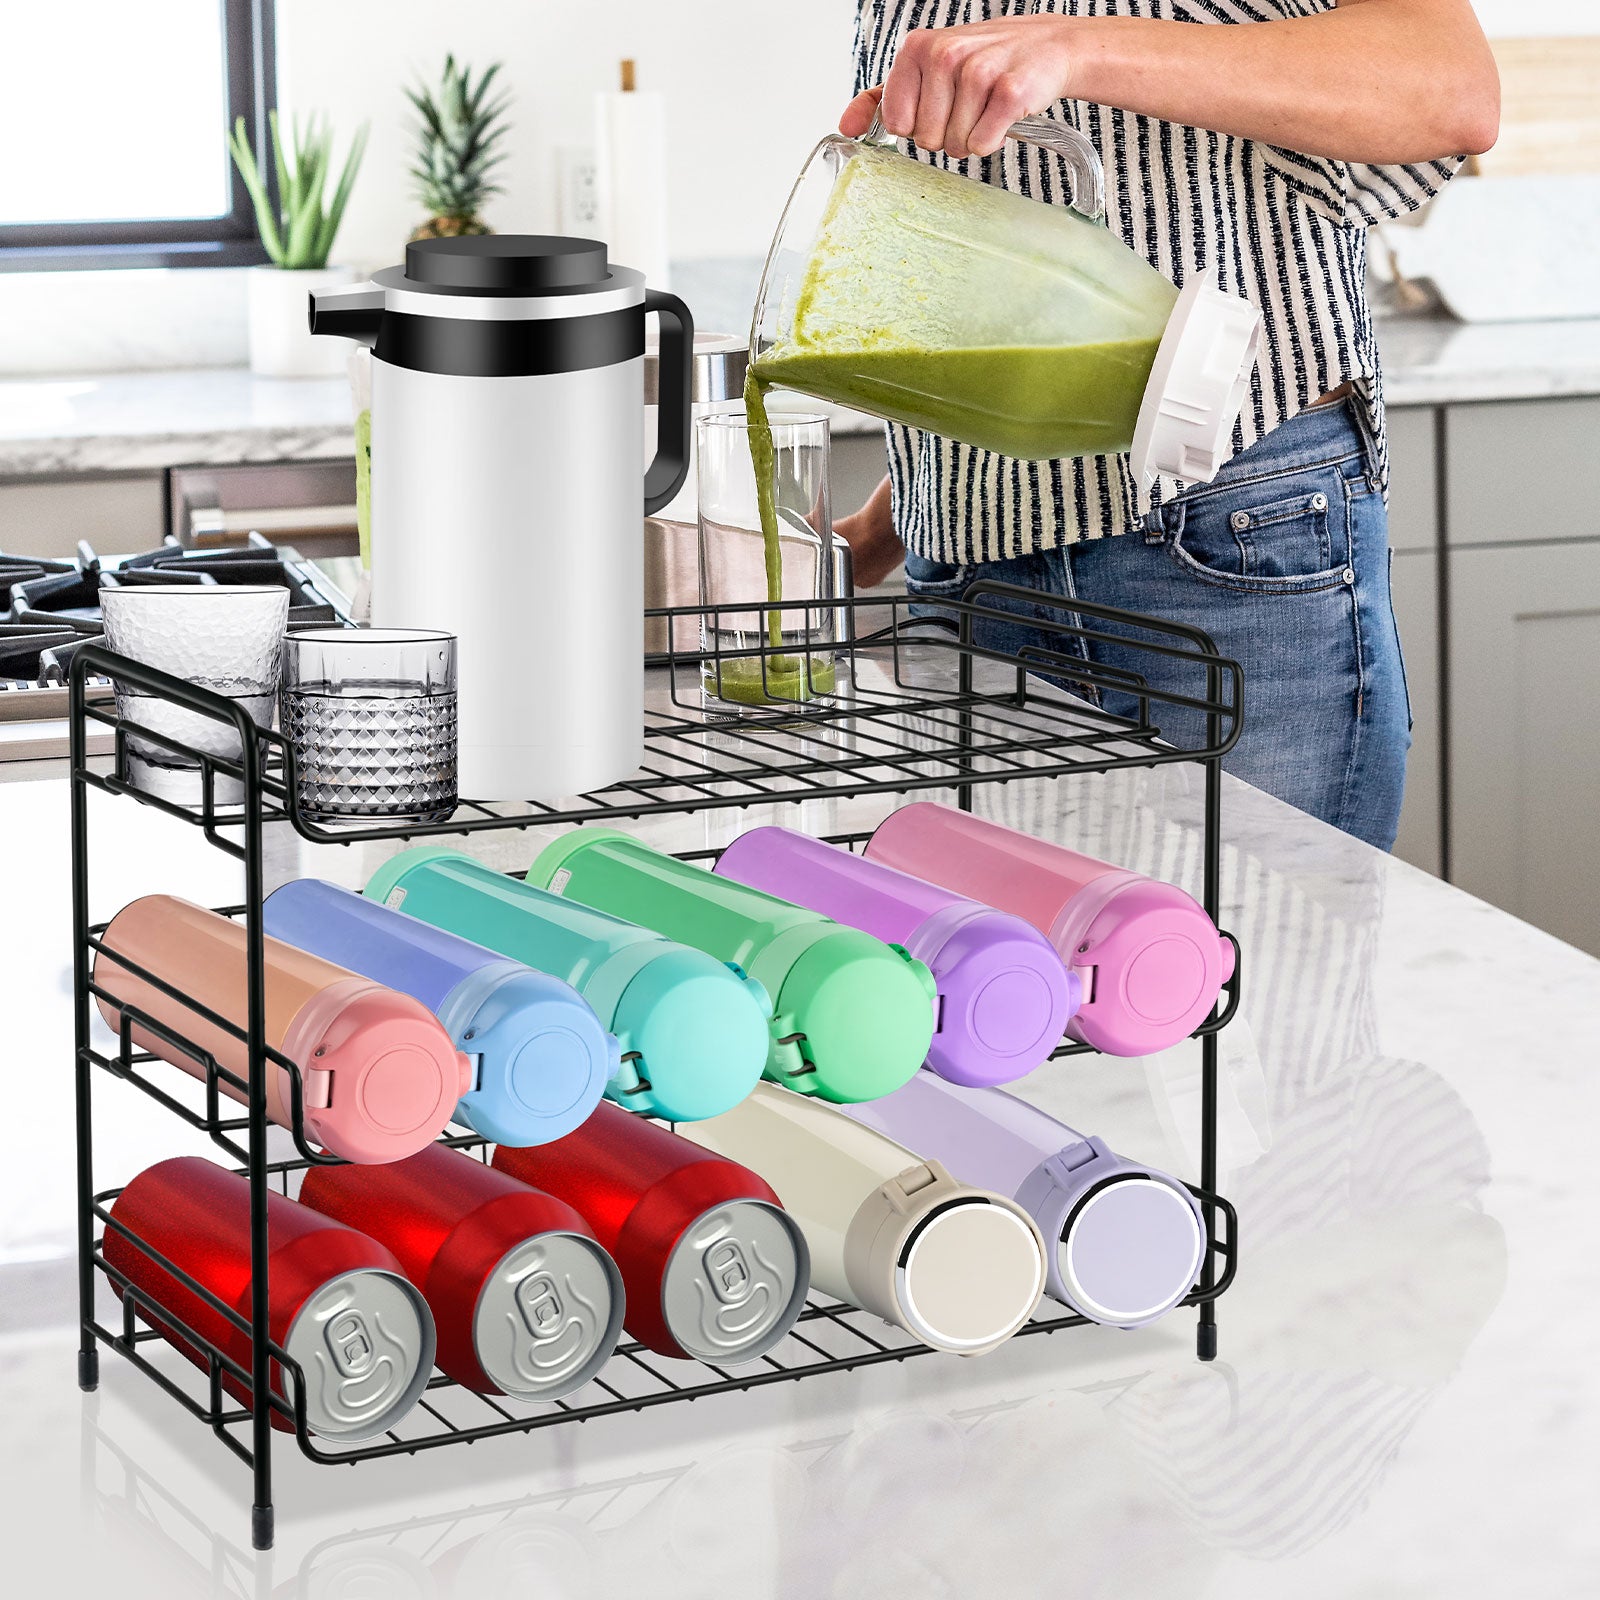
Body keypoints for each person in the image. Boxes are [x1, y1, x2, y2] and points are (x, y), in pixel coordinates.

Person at [830, 1, 1499, 850]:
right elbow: (1023, 299)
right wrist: (875, 532)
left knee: (1263, 963)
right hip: (966, 581)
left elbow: (1448, 83)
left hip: (1220, 548)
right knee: (1003, 976)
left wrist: (1071, 42)